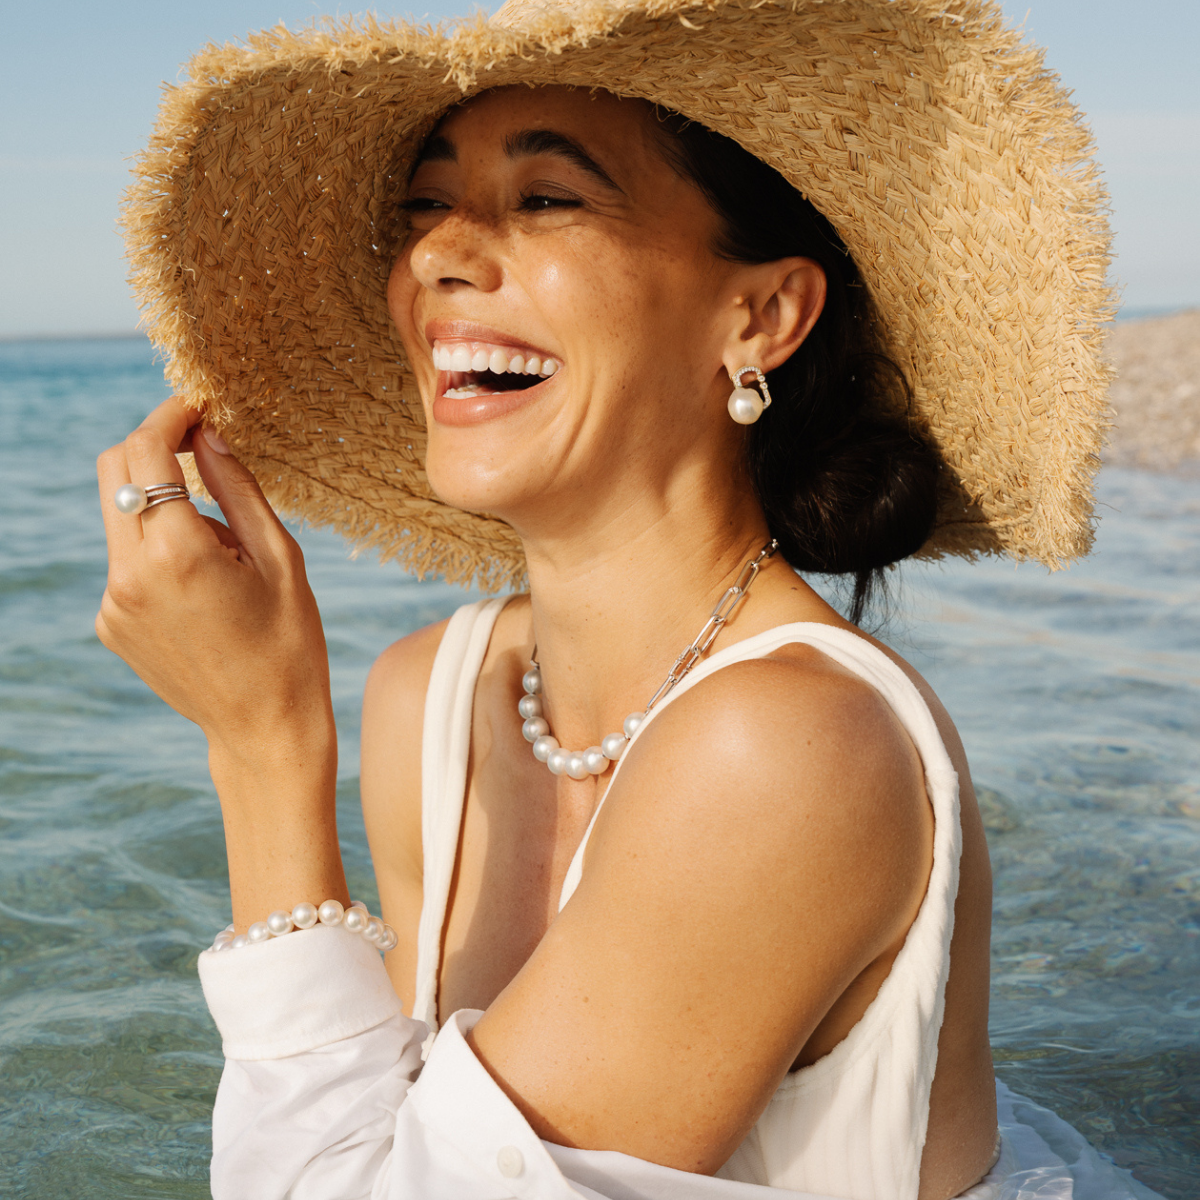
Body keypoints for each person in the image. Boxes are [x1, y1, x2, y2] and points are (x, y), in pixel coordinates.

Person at [97, 1, 1158, 1197]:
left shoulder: (786, 749)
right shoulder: (431, 699)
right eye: (425, 206)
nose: (441, 254)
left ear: (761, 316)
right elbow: (389, 1141)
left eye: (547, 198)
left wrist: (260, 744)